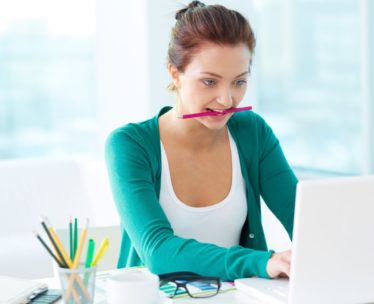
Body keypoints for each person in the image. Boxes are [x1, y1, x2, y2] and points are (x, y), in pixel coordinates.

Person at [105, 1, 297, 281]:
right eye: (210, 82)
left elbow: (304, 222)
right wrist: (261, 261)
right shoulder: (129, 145)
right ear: (175, 74)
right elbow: (158, 251)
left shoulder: (253, 133)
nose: (227, 99)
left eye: (239, 82)